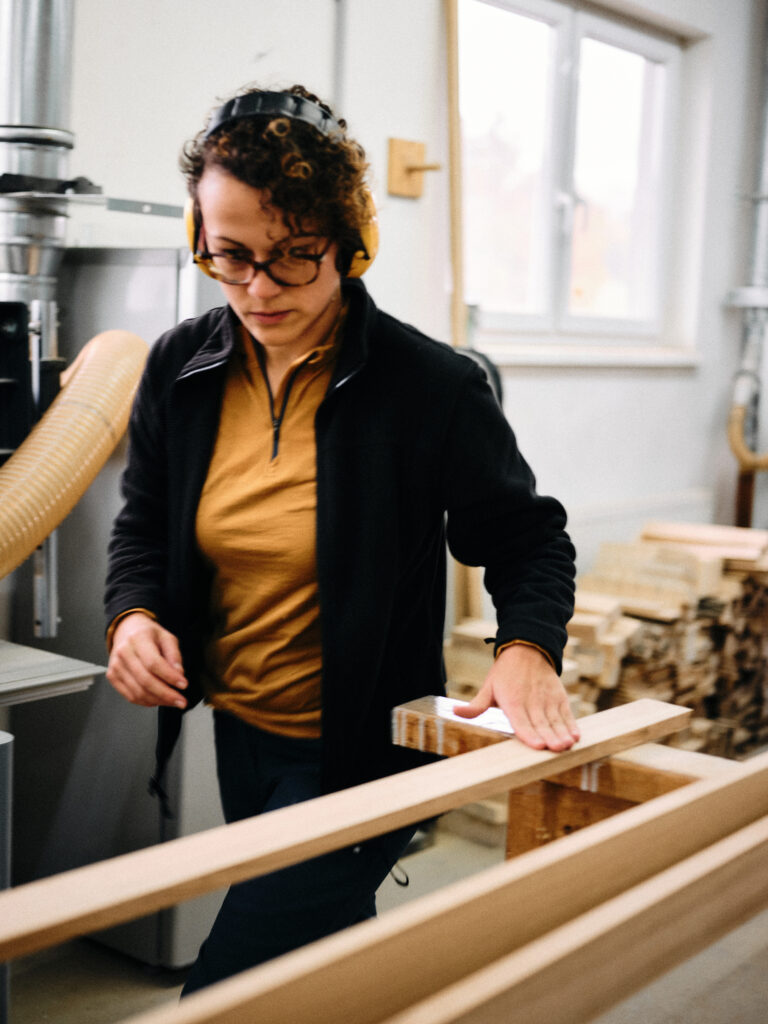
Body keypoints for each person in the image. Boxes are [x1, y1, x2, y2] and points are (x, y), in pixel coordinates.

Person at [104, 84, 579, 995]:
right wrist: (132, 614)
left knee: (227, 992)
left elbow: (528, 539)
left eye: (294, 259)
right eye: (229, 257)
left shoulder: (430, 386)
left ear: (350, 240)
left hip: (363, 753)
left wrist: (526, 649)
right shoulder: (181, 369)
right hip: (239, 727)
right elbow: (142, 522)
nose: (257, 288)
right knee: (319, 973)